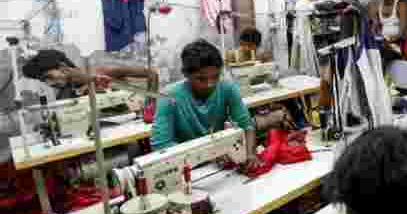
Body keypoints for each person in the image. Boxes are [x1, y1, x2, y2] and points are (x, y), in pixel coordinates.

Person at [151, 39, 258, 160]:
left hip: (220, 159)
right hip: (186, 163)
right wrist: (211, 154)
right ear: (185, 73)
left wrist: (250, 154)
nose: (209, 84)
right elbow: (160, 145)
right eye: (201, 79)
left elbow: (247, 127)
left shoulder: (227, 88)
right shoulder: (168, 97)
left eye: (216, 76)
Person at [22, 48, 158, 99]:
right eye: (44, 81)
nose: (49, 83)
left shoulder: (104, 72)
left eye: (48, 77)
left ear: (63, 67)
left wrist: (150, 104)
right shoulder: (66, 94)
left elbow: (152, 74)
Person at [368, 0, 407, 69]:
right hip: (382, 45)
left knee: (380, 54)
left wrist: (387, 42)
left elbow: (402, 33)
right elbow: (374, 30)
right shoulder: (377, 6)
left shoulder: (401, 6)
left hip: (397, 46)